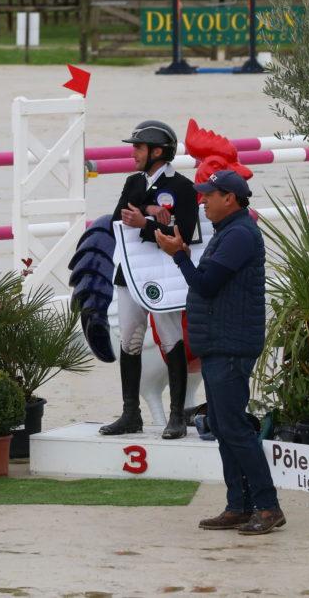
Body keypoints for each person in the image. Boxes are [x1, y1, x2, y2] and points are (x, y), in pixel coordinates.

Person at [155, 170, 284, 535]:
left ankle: (268, 506)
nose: (203, 200)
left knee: (233, 428)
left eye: (209, 194)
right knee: (225, 428)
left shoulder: (239, 234)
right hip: (220, 344)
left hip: (230, 345)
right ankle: (239, 505)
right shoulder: (229, 232)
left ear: (230, 198)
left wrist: (179, 256)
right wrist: (181, 254)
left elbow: (205, 284)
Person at [103, 120, 198, 439]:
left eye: (138, 148)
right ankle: (131, 413)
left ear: (158, 152)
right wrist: (150, 215)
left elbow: (186, 232)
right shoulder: (133, 182)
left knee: (171, 339)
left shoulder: (183, 188)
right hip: (130, 272)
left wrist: (145, 222)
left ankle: (176, 416)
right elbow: (118, 219)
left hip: (164, 273)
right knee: (129, 339)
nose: (133, 153)